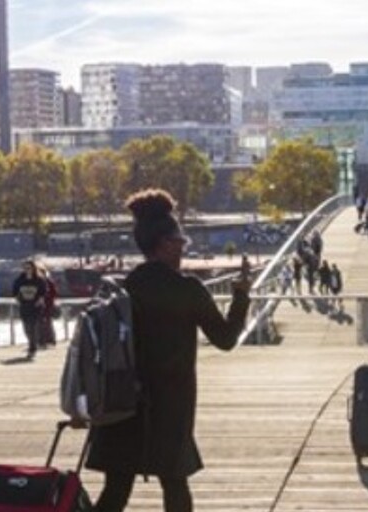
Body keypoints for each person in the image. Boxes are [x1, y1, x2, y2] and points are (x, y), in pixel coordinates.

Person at [87, 189, 252, 512]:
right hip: (170, 403)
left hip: (121, 400)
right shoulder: (187, 290)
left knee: (115, 491)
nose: (183, 247)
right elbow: (226, 339)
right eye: (181, 241)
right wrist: (241, 296)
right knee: (175, 486)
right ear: (165, 244)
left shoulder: (121, 288)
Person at [11, 259, 49, 359]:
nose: (27, 270)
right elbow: (14, 290)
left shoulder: (39, 280)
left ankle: (32, 348)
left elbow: (44, 291)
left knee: (32, 327)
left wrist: (40, 299)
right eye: (25, 268)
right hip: (24, 306)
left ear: (33, 268)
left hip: (35, 306)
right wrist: (17, 299)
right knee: (26, 328)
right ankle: (31, 342)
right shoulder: (20, 279)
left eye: (29, 268)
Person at [38, 265, 59, 349]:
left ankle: (49, 340)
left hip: (47, 306)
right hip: (40, 306)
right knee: (41, 324)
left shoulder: (48, 282)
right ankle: (42, 340)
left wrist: (49, 300)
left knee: (47, 324)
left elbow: (54, 293)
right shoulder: (39, 282)